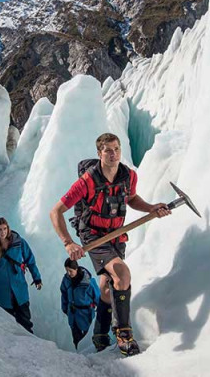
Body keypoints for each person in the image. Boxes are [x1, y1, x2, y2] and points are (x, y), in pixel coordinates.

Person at [50, 133, 171, 356]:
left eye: (116, 149)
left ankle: (99, 333)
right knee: (122, 274)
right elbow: (55, 211)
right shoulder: (87, 181)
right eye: (108, 150)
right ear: (99, 153)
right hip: (94, 236)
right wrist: (68, 243)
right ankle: (124, 335)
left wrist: (152, 208)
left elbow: (132, 199)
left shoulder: (128, 176)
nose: (113, 154)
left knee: (107, 287)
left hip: (116, 235)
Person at [60, 258, 100, 350]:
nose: (68, 273)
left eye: (70, 271)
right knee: (76, 338)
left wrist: (102, 310)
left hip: (86, 314)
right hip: (73, 314)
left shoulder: (89, 282)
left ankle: (88, 356)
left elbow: (97, 296)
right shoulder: (66, 280)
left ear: (76, 269)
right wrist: (65, 308)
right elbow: (64, 293)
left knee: (86, 338)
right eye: (67, 271)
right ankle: (79, 355)